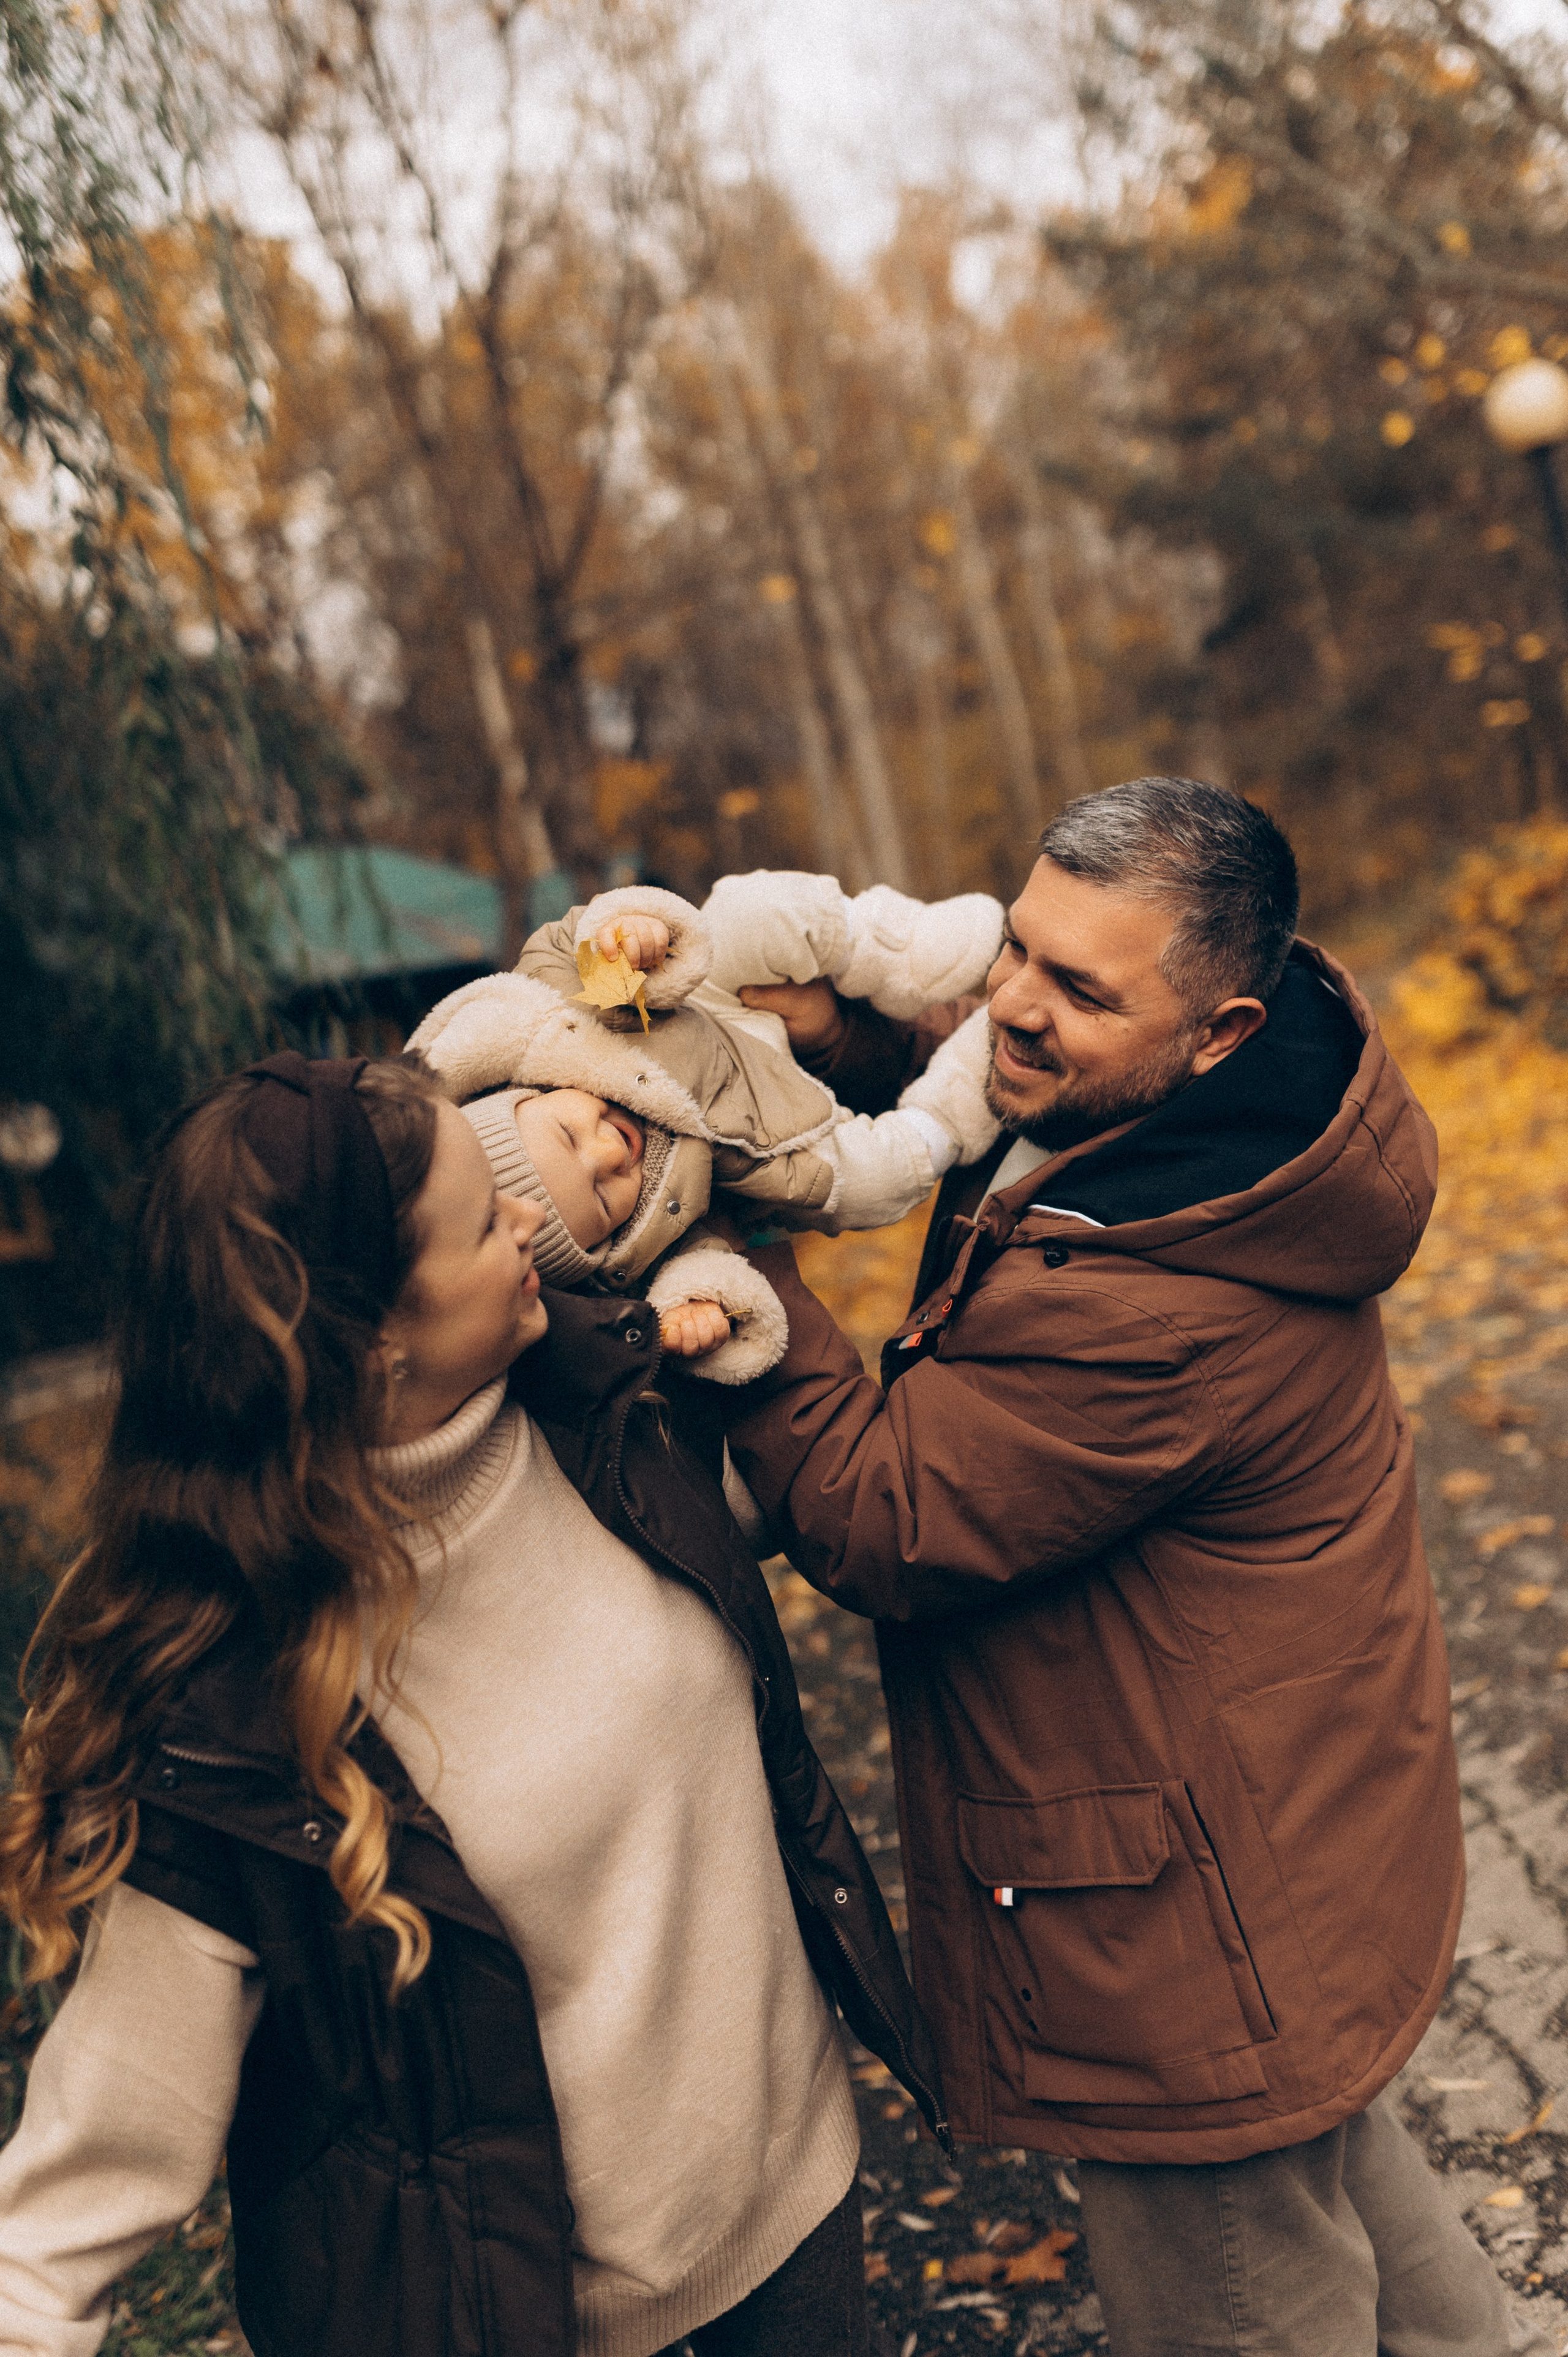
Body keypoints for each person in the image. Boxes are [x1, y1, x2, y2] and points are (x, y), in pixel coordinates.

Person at [712, 777, 1541, 2357]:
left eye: (1076, 988)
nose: (1008, 1004)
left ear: (1218, 1023)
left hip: (1192, 1913)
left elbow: (885, 1510)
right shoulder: (1245, 1098)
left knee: (1239, 2227)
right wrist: (856, 1042)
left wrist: (736, 1258)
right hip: (1281, 1852)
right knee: (1315, 2145)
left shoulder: (1149, 1300)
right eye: (1016, 947)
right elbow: (1027, 1078)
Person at [0, 1050, 943, 2357]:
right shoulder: (233, 1722)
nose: (527, 1212)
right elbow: (60, 2219)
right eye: (483, 1210)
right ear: (372, 1334)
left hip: (800, 2233)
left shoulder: (610, 1407)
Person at [406, 872, 1005, 1381]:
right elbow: (697, 1256)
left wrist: (631, 935)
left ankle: (894, 950)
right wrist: (696, 1303)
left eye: (569, 1134)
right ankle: (954, 1104)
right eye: (599, 1194)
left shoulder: (559, 1012)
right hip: (774, 1137)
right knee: (872, 1182)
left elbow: (569, 942)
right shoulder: (655, 1229)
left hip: (711, 1002)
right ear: (607, 1244)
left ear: (525, 1092)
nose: (608, 1153)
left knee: (749, 912)